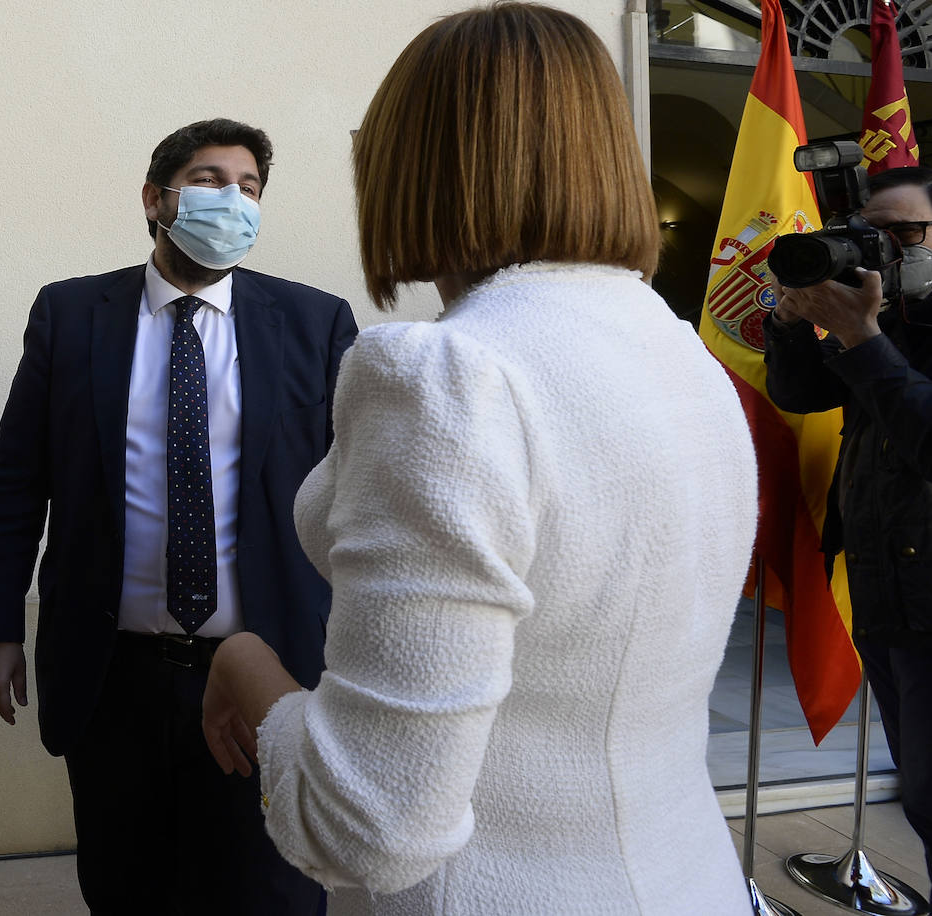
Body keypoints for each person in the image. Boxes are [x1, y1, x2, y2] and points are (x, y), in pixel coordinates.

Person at [200, 6, 757, 914]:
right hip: (688, 881)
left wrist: (250, 672)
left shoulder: (449, 375)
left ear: (416, 163)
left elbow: (368, 827)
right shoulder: (678, 350)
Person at [0, 118, 357, 914]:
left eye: (249, 188)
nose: (234, 201)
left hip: (264, 677)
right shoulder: (71, 315)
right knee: (127, 891)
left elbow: (355, 501)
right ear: (157, 198)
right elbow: (17, 480)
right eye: (212, 181)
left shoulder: (316, 324)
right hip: (117, 678)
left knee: (268, 896)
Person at [764, 165, 932, 889]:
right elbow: (800, 394)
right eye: (872, 231)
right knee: (924, 797)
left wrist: (862, 335)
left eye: (905, 232)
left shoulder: (877, 331)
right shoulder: (884, 321)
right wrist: (790, 323)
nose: (883, 247)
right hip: (881, 586)